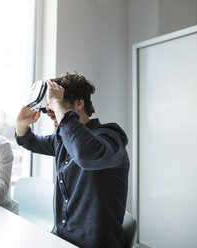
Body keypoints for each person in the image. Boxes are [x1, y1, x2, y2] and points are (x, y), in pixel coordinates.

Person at [15, 71, 130, 248]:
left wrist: (56, 103)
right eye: (47, 106)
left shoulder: (111, 137)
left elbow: (86, 154)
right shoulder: (61, 140)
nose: (48, 112)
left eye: (54, 103)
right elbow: (29, 141)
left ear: (79, 103)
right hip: (61, 239)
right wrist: (21, 123)